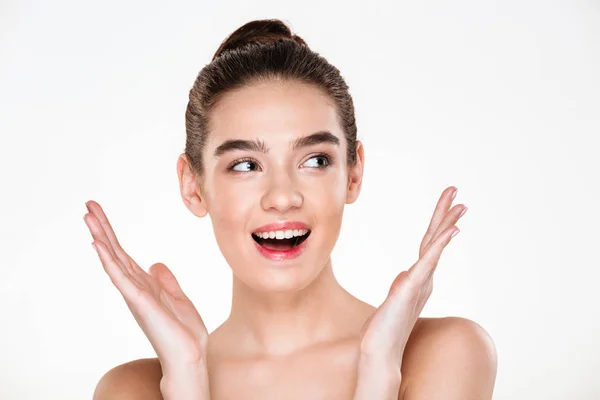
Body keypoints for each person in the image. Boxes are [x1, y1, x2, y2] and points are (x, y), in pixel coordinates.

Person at [84, 18, 497, 400]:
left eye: (314, 160)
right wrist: (188, 377)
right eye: (245, 165)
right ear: (193, 187)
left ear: (353, 174)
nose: (282, 196)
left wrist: (379, 370)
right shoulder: (134, 390)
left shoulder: (445, 353)